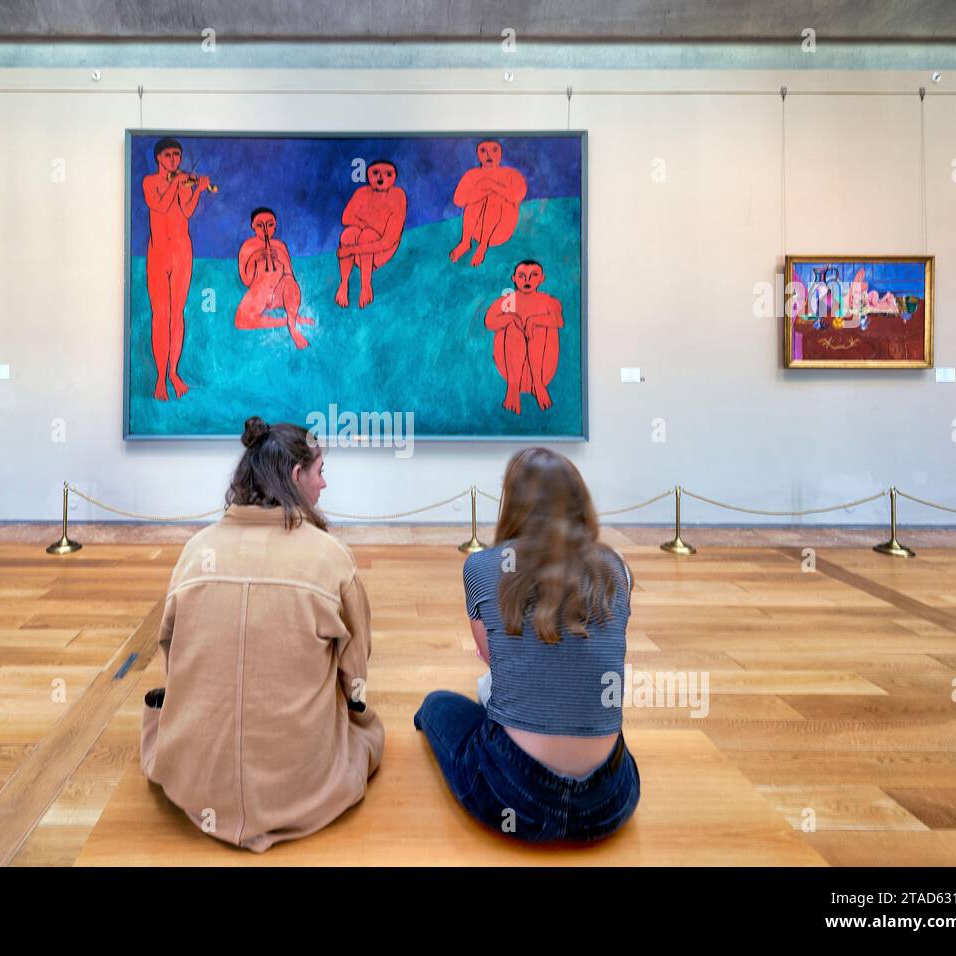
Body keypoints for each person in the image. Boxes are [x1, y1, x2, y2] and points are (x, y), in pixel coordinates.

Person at [140, 416, 385, 852]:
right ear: (295, 476)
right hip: (302, 794)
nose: (324, 484)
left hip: (195, 785)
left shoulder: (196, 552)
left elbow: (172, 655)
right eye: (320, 471)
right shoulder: (331, 559)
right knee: (362, 729)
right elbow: (356, 680)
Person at [414, 448, 640, 843]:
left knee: (436, 705)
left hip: (511, 794)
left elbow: (489, 656)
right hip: (609, 802)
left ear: (511, 504)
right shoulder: (616, 568)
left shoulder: (482, 565)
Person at [142, 137, 212, 401]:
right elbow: (159, 205)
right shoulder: (150, 182)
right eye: (169, 155)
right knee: (161, 316)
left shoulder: (182, 181)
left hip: (182, 253)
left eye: (177, 155)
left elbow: (187, 211)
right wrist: (176, 181)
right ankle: (160, 378)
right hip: (159, 253)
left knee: (177, 315)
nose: (174, 160)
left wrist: (197, 189)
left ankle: (173, 372)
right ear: (159, 158)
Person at [484, 260, 563, 413]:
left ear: (542, 279)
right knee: (514, 325)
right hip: (511, 365)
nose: (527, 281)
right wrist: (511, 318)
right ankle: (513, 389)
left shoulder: (548, 301)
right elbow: (489, 322)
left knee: (538, 326)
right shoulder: (508, 301)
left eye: (533, 276)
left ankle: (538, 384)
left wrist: (533, 321)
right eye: (522, 276)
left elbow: (558, 321)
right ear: (514, 279)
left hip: (541, 367)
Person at [235, 207, 313, 350]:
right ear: (252, 226)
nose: (265, 229)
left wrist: (281, 260)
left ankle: (293, 326)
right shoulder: (247, 247)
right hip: (259, 292)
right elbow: (246, 280)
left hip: (278, 293)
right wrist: (254, 259)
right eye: (260, 225)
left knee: (290, 283)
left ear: (275, 225)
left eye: (270, 224)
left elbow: (290, 276)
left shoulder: (280, 245)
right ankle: (289, 320)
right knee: (240, 321)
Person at [334, 160, 406, 309]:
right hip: (358, 250)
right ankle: (344, 284)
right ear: (368, 175)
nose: (381, 177)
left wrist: (351, 250)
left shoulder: (398, 196)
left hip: (380, 253)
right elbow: (346, 217)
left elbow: (387, 242)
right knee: (348, 233)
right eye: (375, 173)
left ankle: (366, 286)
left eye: (387, 174)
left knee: (368, 235)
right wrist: (365, 225)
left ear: (394, 178)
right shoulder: (362, 192)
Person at [449, 139, 528, 267]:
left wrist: (491, 185)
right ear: (478, 155)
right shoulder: (472, 175)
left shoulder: (511, 174)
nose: (489, 155)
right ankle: (465, 242)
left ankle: (483, 247)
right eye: (483, 151)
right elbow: (458, 200)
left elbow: (517, 196)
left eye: (494, 150)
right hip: (477, 231)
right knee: (475, 197)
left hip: (501, 229)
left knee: (494, 197)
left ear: (501, 153)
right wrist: (481, 189)